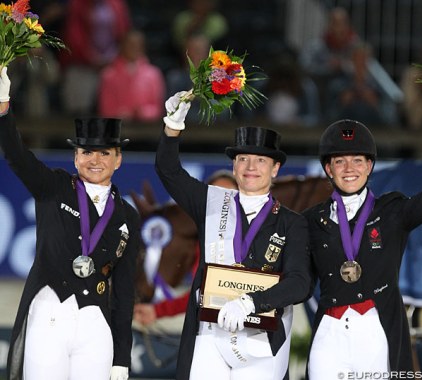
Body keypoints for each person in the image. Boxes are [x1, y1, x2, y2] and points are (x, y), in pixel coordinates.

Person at [302, 102, 422, 378]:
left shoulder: (392, 211)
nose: (349, 168)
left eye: (357, 160)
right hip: (329, 334)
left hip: (376, 329)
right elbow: (301, 280)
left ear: (369, 166)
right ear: (328, 169)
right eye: (339, 161)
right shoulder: (310, 220)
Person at [155, 92, 312, 379]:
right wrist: (173, 125)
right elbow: (168, 171)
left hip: (262, 341)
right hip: (210, 335)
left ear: (275, 168)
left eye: (260, 161)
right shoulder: (210, 203)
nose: (251, 167)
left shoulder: (293, 223)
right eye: (243, 159)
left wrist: (251, 302)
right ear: (234, 165)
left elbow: (301, 284)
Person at [0, 67, 140, 380]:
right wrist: (3, 109)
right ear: (75, 157)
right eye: (87, 151)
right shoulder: (55, 187)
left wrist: (122, 356)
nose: (95, 160)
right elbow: (17, 156)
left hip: (96, 326)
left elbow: (125, 291)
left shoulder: (128, 216)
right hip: (50, 314)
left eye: (105, 152)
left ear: (118, 160)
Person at [133, 170, 237, 327]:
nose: (222, 205)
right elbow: (202, 294)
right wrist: (157, 311)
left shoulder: (257, 242)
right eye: (215, 197)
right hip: (208, 332)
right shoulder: (199, 247)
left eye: (229, 197)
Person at [98, 29, 167, 122]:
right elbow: (105, 109)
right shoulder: (108, 75)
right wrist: (123, 113)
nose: (134, 48)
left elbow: (158, 107)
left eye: (138, 45)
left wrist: (144, 112)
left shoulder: (154, 74)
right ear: (122, 46)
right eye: (130, 44)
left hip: (148, 129)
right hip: (118, 128)